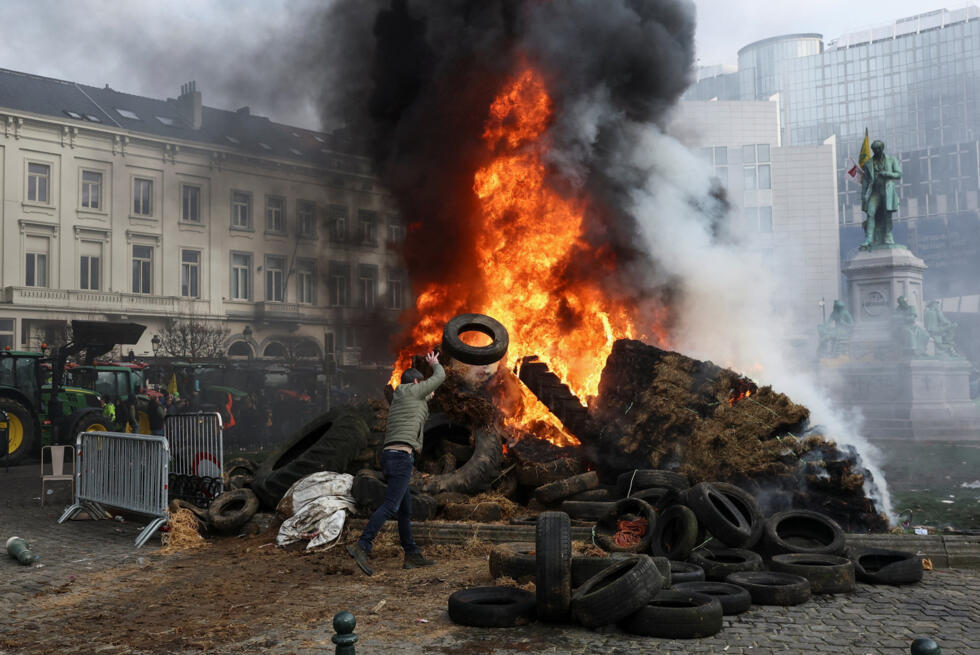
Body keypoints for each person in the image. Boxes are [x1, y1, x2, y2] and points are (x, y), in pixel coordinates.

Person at [347, 351, 446, 575]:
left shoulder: (403, 395)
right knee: (391, 505)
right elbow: (439, 378)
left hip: (391, 455)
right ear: (416, 382)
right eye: (422, 383)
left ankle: (411, 554)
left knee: (405, 510)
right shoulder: (412, 390)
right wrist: (435, 364)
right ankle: (362, 545)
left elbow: (430, 393)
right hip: (401, 457)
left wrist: (430, 384)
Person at [860, 140, 902, 250]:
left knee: (887, 214)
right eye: (874, 149)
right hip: (875, 191)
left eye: (878, 149)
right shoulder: (869, 163)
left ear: (882, 148)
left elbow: (899, 174)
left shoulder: (891, 160)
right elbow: (865, 182)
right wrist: (864, 196)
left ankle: (888, 235)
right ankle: (869, 239)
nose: (876, 151)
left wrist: (887, 174)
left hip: (887, 190)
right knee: (870, 212)